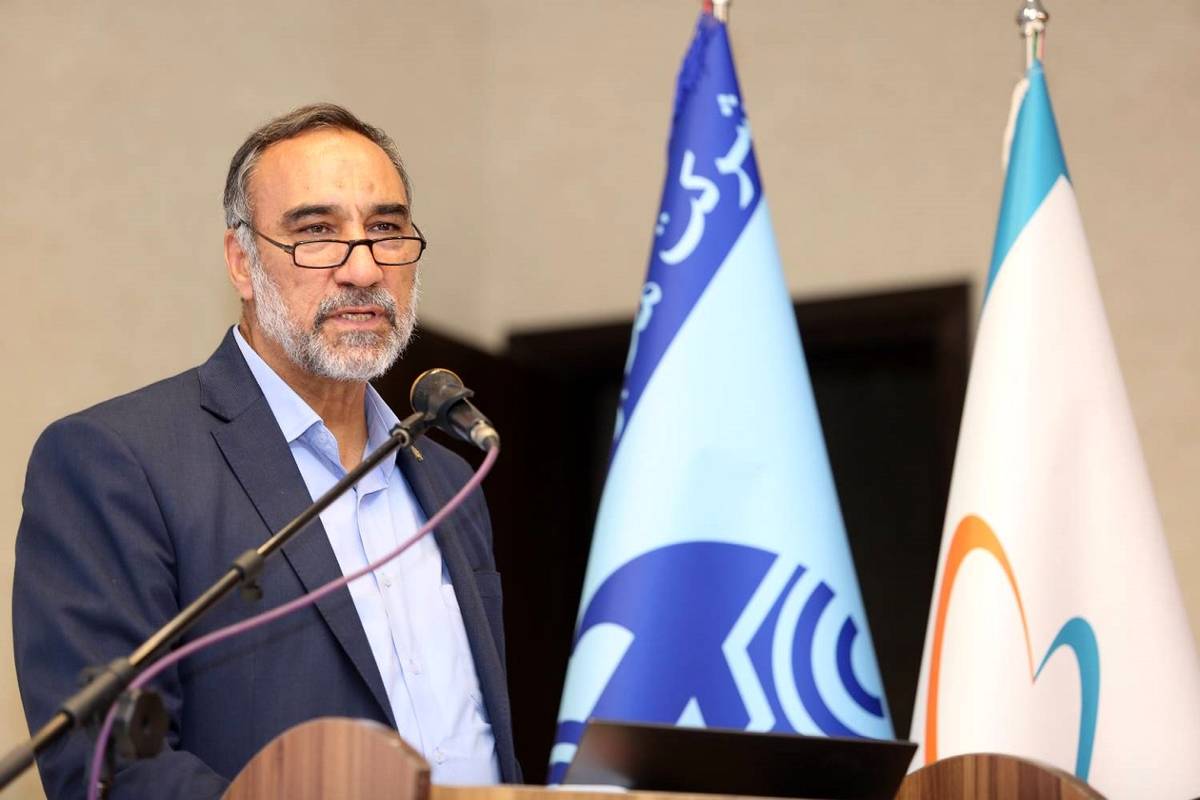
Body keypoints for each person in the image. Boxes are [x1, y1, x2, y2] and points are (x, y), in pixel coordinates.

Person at [12, 104, 519, 799]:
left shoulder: (449, 478)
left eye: (385, 230)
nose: (363, 268)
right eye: (316, 233)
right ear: (241, 263)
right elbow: (107, 766)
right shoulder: (116, 462)